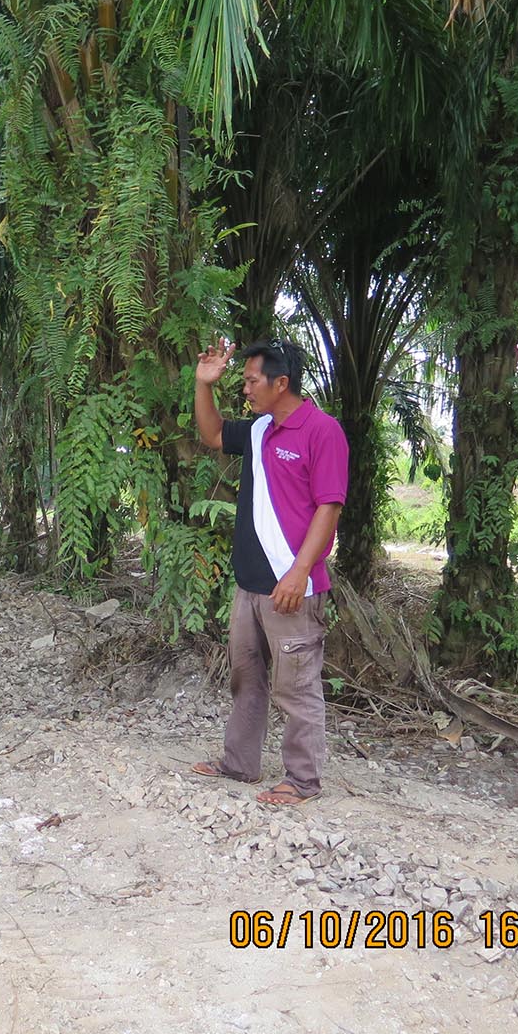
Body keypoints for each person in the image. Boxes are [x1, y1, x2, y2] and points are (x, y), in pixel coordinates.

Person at [190, 339, 348, 806]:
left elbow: (329, 507)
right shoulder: (260, 430)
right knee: (246, 678)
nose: (245, 389)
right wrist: (204, 385)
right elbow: (213, 435)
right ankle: (240, 763)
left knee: (296, 687)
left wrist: (300, 571)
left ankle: (302, 780)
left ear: (281, 383)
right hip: (250, 586)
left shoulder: (322, 431)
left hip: (292, 586)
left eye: (251, 381)